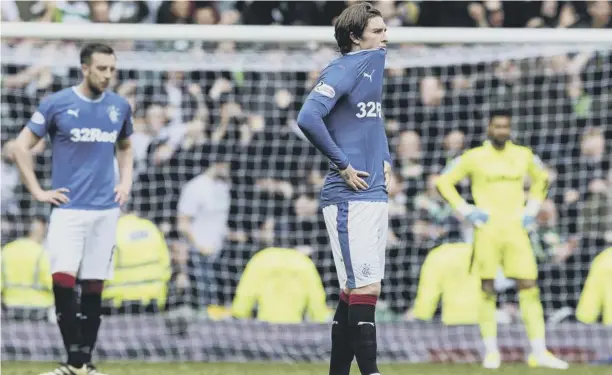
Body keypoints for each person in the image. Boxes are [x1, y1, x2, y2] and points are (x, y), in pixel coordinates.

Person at [11, 43, 133, 375]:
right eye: (102, 69)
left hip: (106, 210)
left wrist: (125, 183)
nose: (108, 75)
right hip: (68, 209)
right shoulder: (57, 104)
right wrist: (37, 190)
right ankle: (76, 362)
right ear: (84, 68)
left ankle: (81, 365)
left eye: (112, 69)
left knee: (94, 286)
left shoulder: (119, 107)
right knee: (63, 281)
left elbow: (125, 147)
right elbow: (19, 147)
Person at [296, 3, 390, 375]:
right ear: (355, 37)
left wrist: (386, 158)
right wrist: (343, 165)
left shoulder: (372, 67)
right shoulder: (343, 68)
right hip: (349, 197)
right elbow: (308, 116)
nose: (386, 37)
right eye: (378, 31)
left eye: (386, 30)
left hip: (373, 192)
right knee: (366, 289)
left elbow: (372, 119)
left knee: (355, 291)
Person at [435, 109, 568, 370]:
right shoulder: (473, 157)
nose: (501, 131)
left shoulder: (523, 155)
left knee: (529, 286)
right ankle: (491, 351)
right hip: (487, 230)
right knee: (487, 288)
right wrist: (466, 210)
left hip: (516, 230)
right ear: (489, 128)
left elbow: (542, 178)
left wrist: (532, 208)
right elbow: (443, 182)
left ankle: (539, 351)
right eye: (497, 126)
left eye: (505, 126)